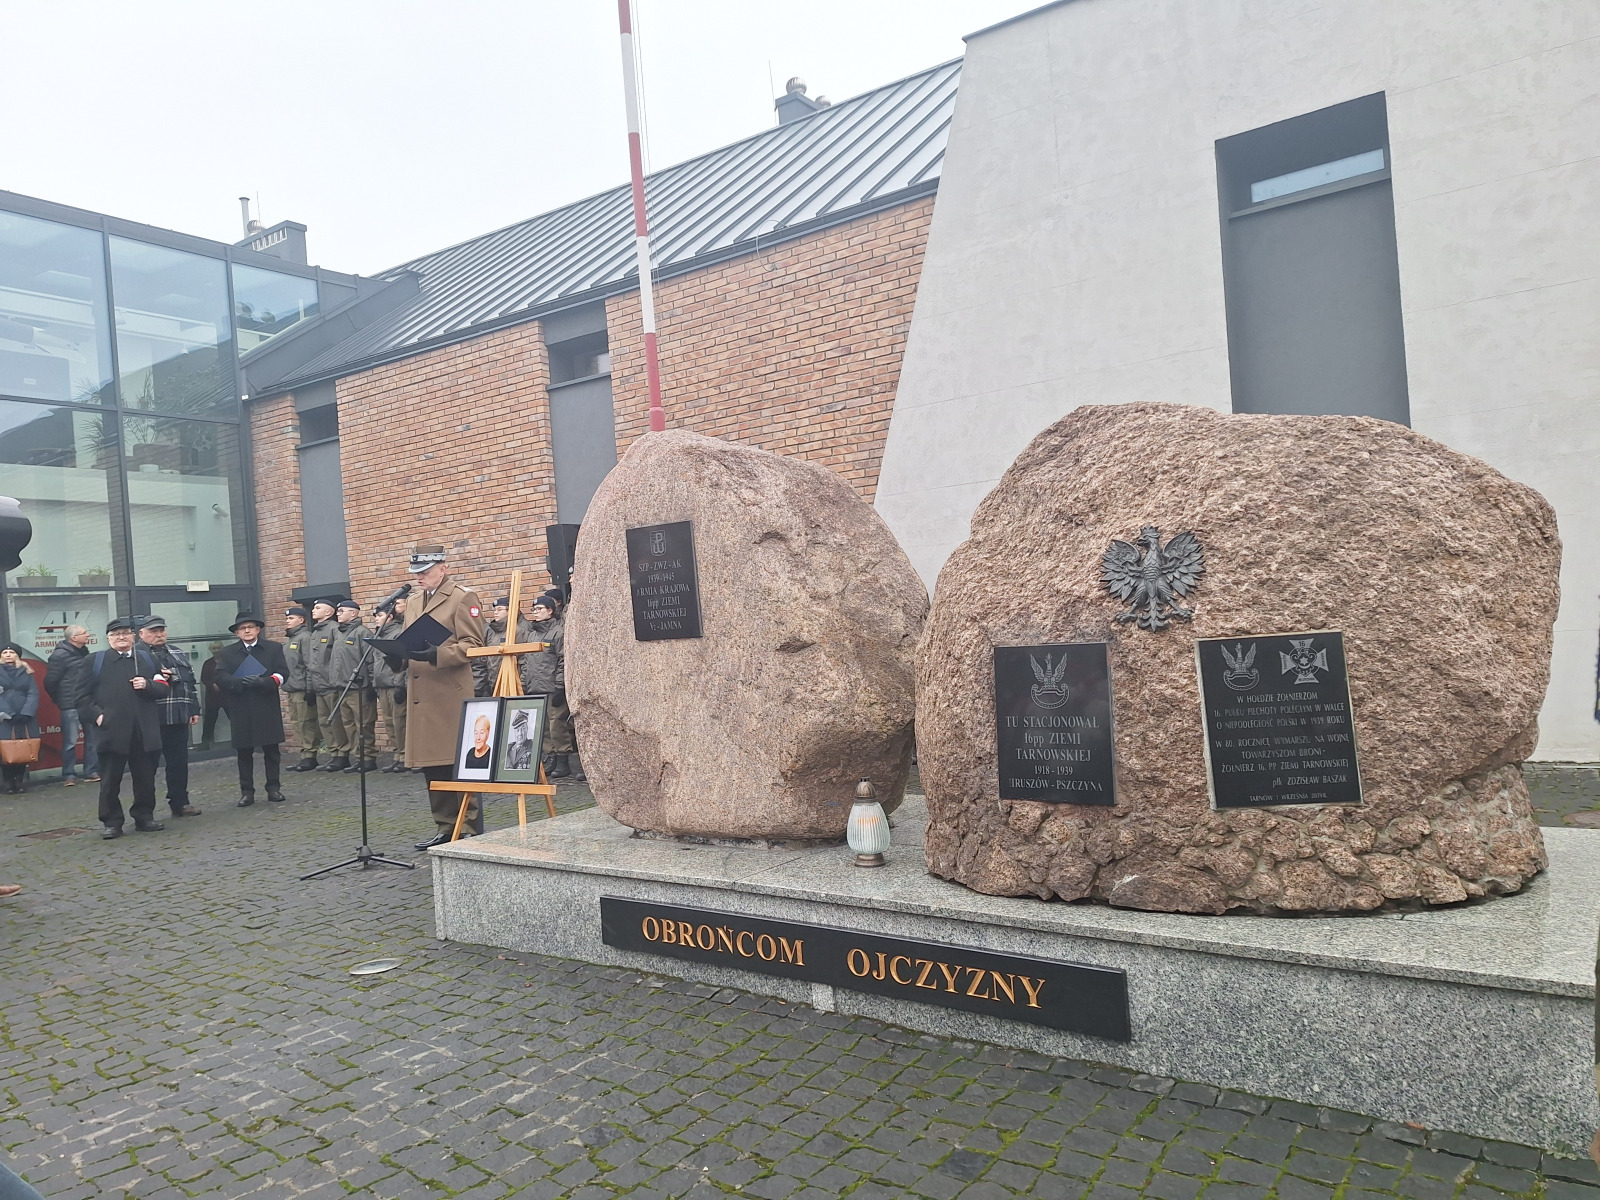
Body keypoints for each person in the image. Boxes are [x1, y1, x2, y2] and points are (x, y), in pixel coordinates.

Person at [395, 546, 484, 849]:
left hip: (449, 692)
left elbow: (474, 645)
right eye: (416, 573)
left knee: (459, 763)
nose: (419, 577)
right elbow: (408, 641)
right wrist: (396, 656)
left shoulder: (462, 597)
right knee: (432, 764)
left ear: (443, 569)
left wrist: (437, 654)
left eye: (425, 572)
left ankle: (469, 826)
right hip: (422, 694)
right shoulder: (413, 601)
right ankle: (445, 826)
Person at [70, 616, 170, 839]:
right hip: (112, 730)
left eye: (125, 633)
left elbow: (163, 688)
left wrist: (148, 685)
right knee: (110, 779)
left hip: (144, 730)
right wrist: (98, 717)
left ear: (133, 636)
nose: (121, 637)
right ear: (108, 639)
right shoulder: (95, 661)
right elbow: (81, 697)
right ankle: (112, 822)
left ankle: (144, 816)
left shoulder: (148, 658)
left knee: (145, 778)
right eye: (116, 634)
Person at [212, 614, 288, 807]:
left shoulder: (273, 648)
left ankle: (274, 788)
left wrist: (265, 682)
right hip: (241, 706)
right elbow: (220, 676)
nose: (247, 630)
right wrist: (238, 682)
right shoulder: (226, 653)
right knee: (244, 752)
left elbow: (282, 673)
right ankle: (247, 792)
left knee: (271, 751)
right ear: (237, 633)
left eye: (250, 627)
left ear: (258, 629)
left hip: (266, 704)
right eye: (242, 628)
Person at [137, 616, 202, 818]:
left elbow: (190, 682)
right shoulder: (135, 655)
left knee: (178, 764)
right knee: (147, 767)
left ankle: (180, 803)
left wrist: (194, 708)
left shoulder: (177, 652)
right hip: (150, 719)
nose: (159, 635)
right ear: (141, 633)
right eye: (153, 631)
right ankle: (145, 811)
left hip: (178, 715)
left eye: (161, 630)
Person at [525, 595, 584, 782]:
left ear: (550, 611)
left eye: (539, 609)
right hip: (536, 686)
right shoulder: (532, 634)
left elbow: (562, 660)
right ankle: (550, 757)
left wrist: (559, 685)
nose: (535, 613)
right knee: (543, 727)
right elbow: (526, 661)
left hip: (551, 686)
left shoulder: (558, 632)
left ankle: (563, 759)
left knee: (556, 725)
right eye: (533, 610)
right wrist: (526, 683)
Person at [44, 625, 97, 785]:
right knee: (70, 741)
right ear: (74, 638)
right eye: (84, 633)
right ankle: (69, 774)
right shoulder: (59, 655)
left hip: (87, 702)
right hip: (70, 704)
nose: (87, 635)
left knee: (92, 739)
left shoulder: (84, 652)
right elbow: (50, 681)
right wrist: (60, 699)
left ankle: (91, 771)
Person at [330, 599, 377, 774]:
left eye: (342, 611)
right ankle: (358, 757)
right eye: (338, 611)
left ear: (354, 613)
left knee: (363, 725)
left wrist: (371, 684)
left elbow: (371, 660)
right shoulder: (339, 633)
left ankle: (368, 758)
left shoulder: (362, 633)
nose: (338, 614)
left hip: (359, 688)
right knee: (349, 725)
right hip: (342, 687)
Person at [308, 599, 350, 771]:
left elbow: (339, 657)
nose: (313, 610)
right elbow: (312, 661)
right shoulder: (315, 632)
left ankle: (343, 754)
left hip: (331, 684)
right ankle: (334, 753)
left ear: (328, 612)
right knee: (324, 721)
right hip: (319, 684)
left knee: (336, 721)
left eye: (317, 608)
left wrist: (335, 680)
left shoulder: (334, 629)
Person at [372, 596, 408, 771]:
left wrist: (400, 684)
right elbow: (375, 662)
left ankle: (405, 756)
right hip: (382, 685)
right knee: (389, 722)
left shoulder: (398, 633)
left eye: (380, 616)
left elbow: (404, 661)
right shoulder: (380, 636)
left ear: (390, 617)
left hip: (394, 684)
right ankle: (397, 754)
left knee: (399, 721)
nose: (376, 619)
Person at [282, 606, 320, 771]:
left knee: (306, 723)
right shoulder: (290, 639)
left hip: (302, 688)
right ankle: (304, 754)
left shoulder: (305, 637)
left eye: (291, 618)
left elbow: (309, 664)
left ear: (301, 620)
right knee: (297, 723)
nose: (287, 621)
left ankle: (310, 755)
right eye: (287, 618)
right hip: (292, 687)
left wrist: (310, 689)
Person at [0, 643, 39, 794]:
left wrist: (26, 712)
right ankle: (8, 782)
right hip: (5, 717)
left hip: (24, 716)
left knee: (23, 746)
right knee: (6, 747)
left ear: (17, 655)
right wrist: (8, 713)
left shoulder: (26, 671)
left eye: (11, 652)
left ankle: (19, 781)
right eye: (5, 652)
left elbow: (33, 693)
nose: (8, 655)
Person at [198, 642, 226, 749]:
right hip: (212, 697)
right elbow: (203, 678)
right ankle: (205, 744)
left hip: (227, 696)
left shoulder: (228, 661)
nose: (216, 650)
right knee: (209, 721)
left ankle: (241, 741)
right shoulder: (208, 663)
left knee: (235, 719)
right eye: (214, 648)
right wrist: (212, 685)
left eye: (218, 648)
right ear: (210, 650)